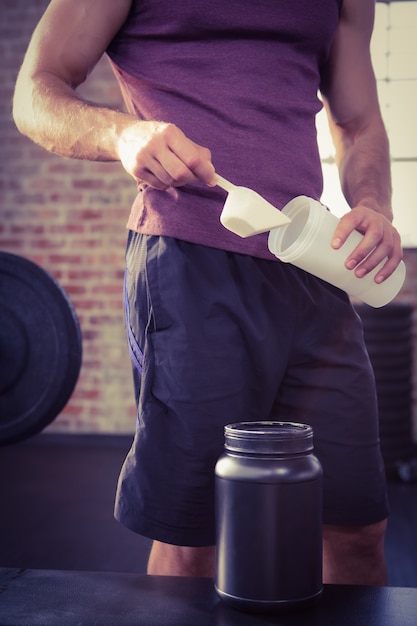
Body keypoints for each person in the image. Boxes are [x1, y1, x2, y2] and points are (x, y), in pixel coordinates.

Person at [13, 0, 403, 584]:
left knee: (356, 528)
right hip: (190, 264)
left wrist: (373, 203)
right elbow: (34, 93)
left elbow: (359, 122)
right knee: (193, 533)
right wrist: (122, 133)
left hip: (311, 261)